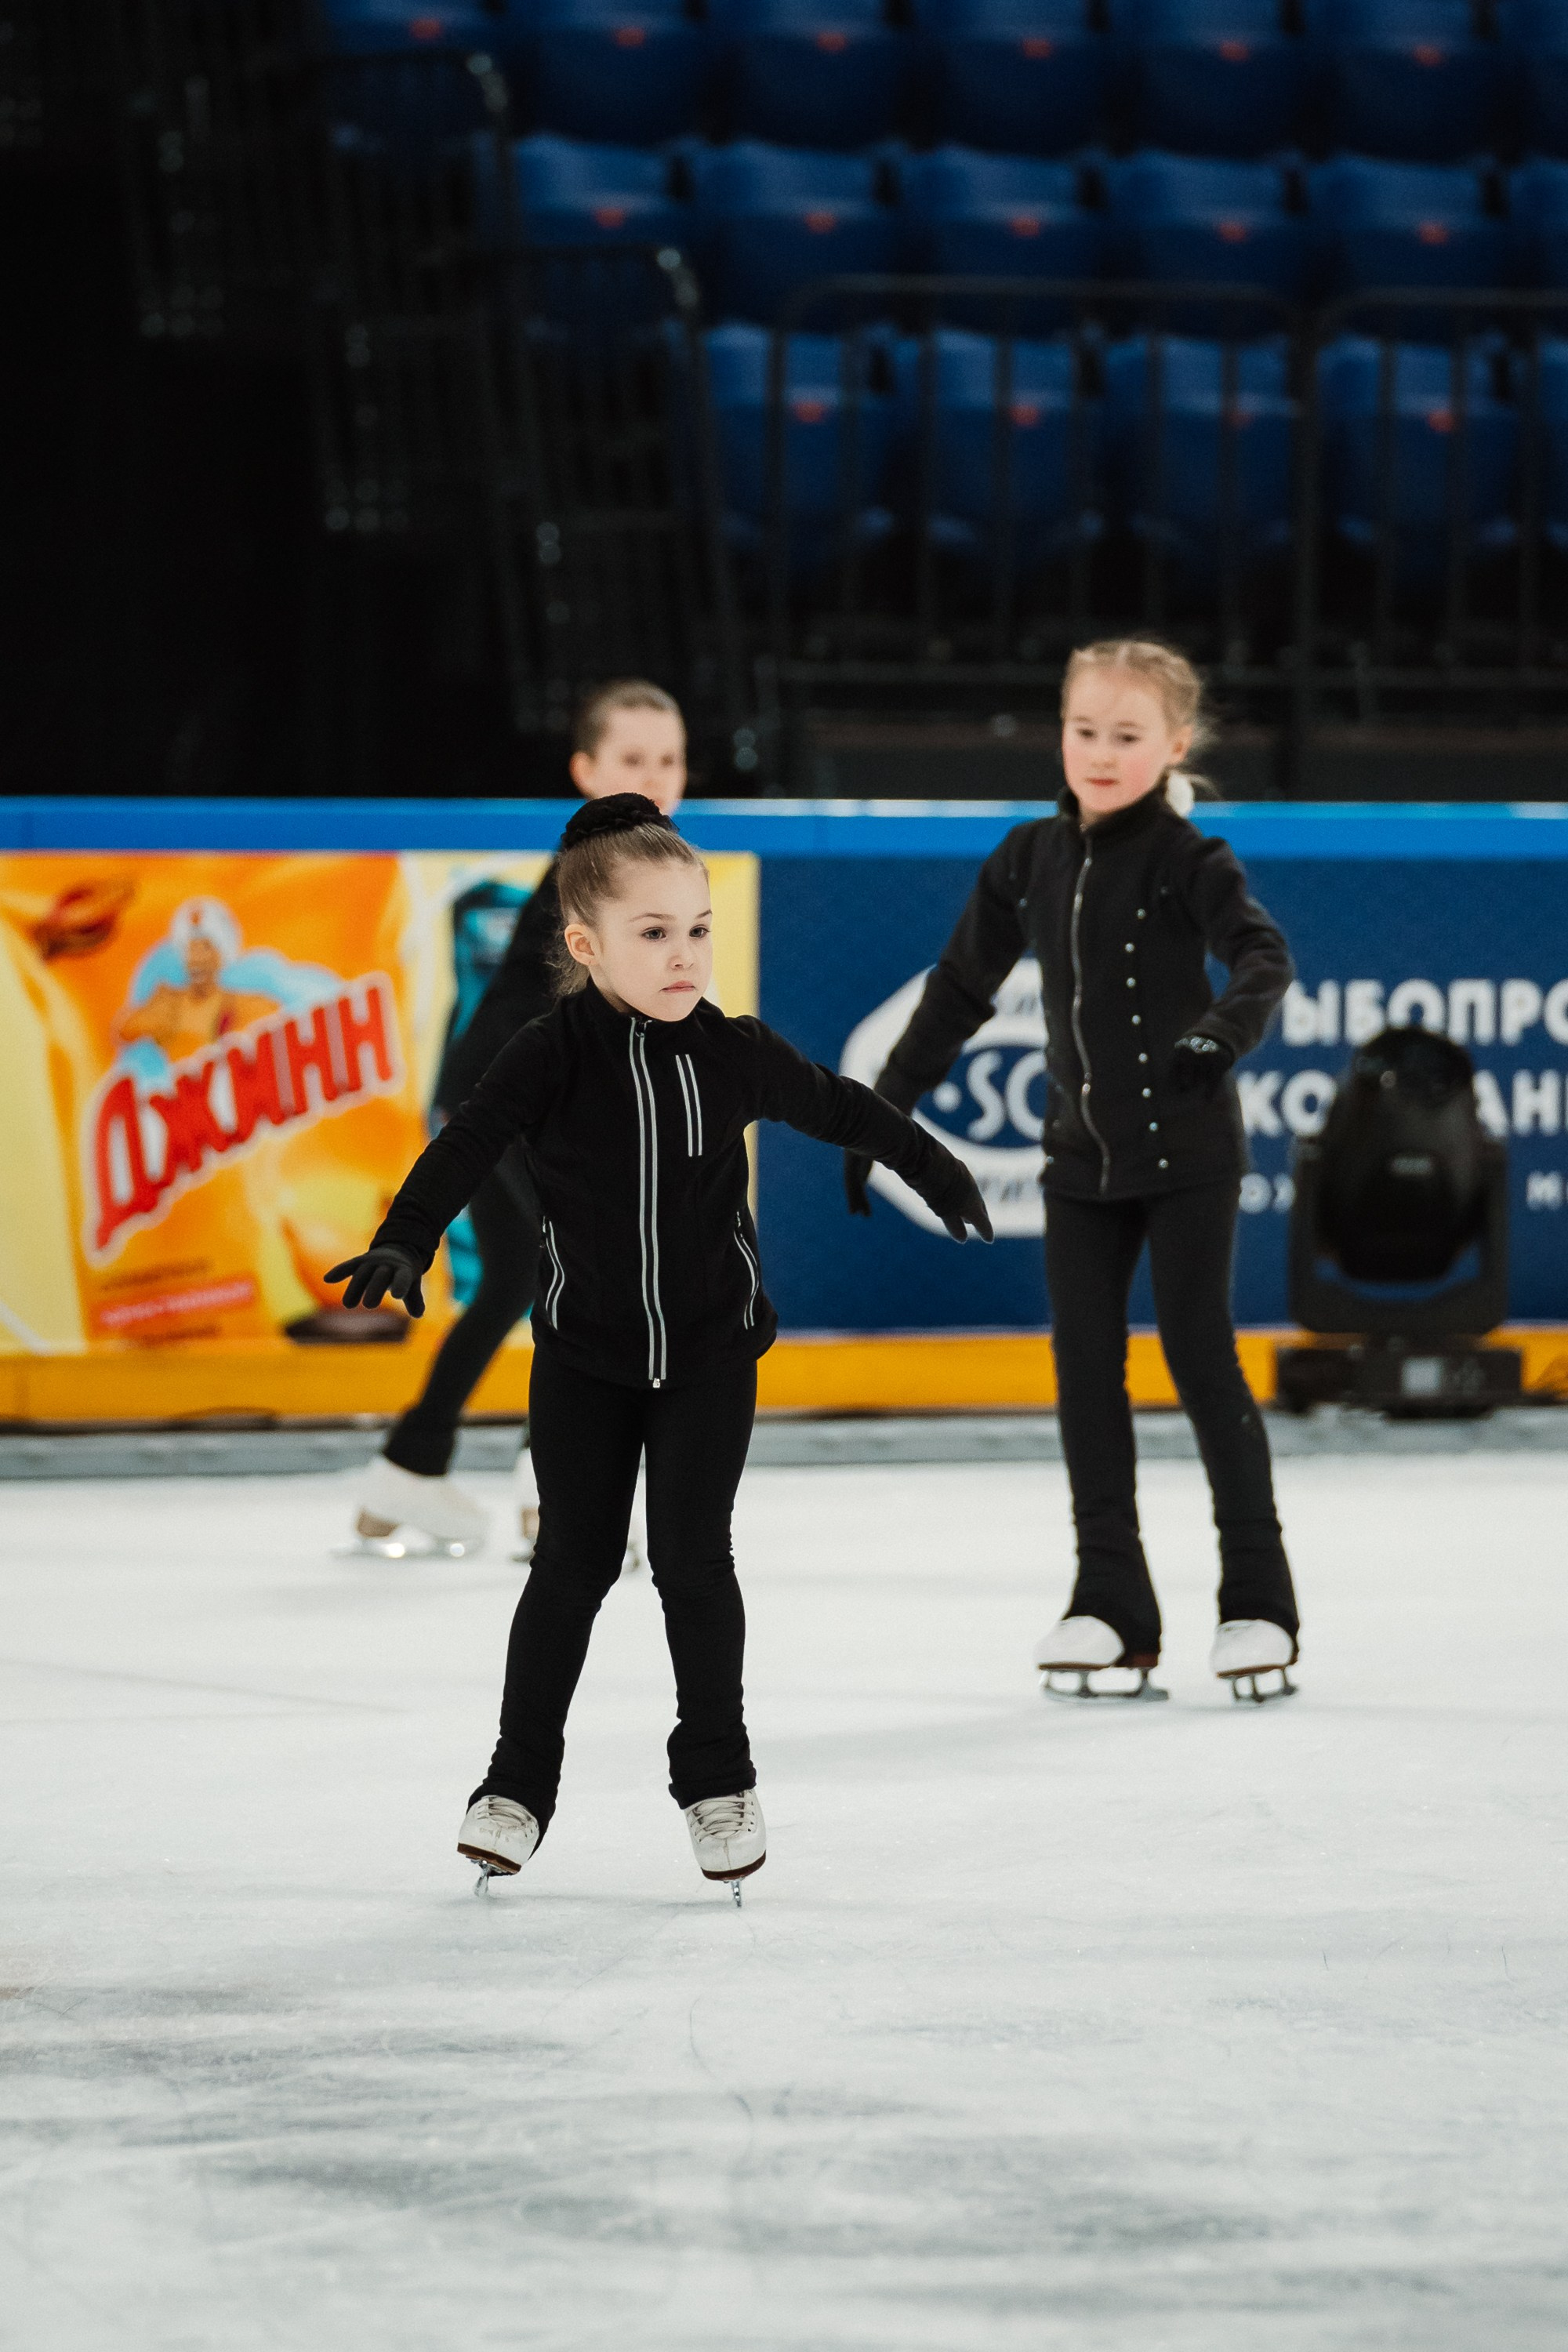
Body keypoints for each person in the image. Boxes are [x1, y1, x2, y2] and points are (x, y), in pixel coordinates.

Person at [325, 795, 993, 1894]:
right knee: (571, 1569)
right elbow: (470, 1140)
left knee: (694, 1564)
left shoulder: (734, 1053)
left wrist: (931, 1163)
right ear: (586, 948)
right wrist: (406, 1236)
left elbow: (840, 1105)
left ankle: (717, 1779)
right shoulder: (549, 1055)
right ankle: (517, 1785)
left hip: (710, 1358)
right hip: (583, 1358)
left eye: (697, 928)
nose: (683, 953)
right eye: (653, 933)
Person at [845, 638, 1301, 1704]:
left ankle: (1258, 1603)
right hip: (1079, 1162)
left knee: (1199, 1359)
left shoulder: (1195, 860)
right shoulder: (1026, 858)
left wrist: (1220, 1037)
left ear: (1174, 744)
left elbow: (1264, 958)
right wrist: (883, 1116)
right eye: (1084, 729)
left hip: (1187, 1154)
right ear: (1061, 730)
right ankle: (1110, 1602)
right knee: (1085, 1375)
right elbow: (959, 990)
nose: (1100, 752)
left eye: (1127, 735)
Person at [350, 681, 690, 1561]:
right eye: (630, 761)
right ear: (585, 771)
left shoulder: (615, 861)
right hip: (504, 1094)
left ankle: (410, 1466)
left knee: (514, 1281)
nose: (651, 779)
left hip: (486, 1090)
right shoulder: (609, 861)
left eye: (667, 761)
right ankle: (557, 1493)